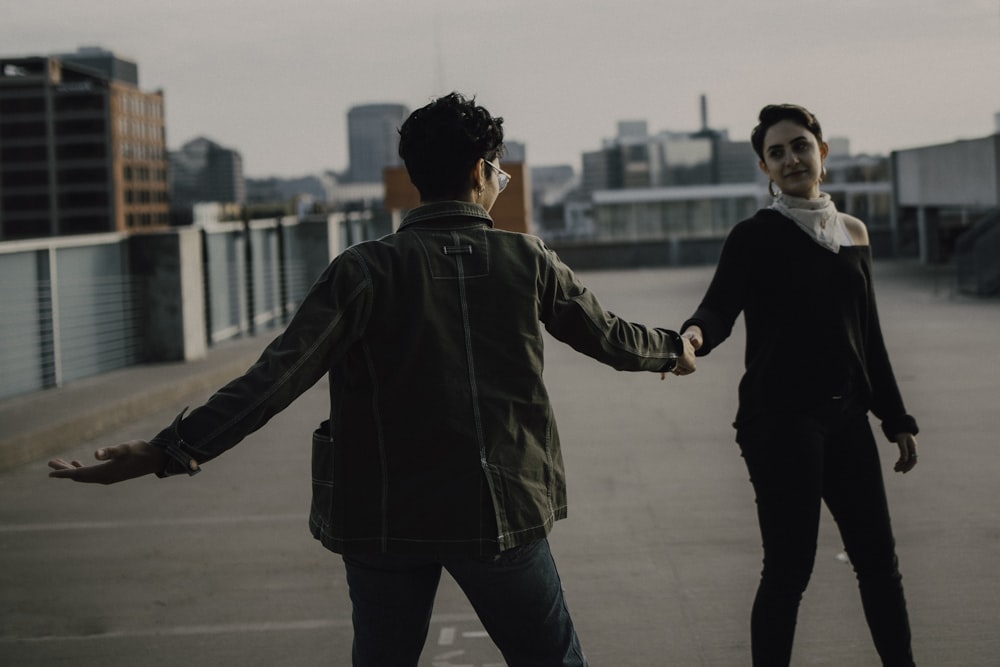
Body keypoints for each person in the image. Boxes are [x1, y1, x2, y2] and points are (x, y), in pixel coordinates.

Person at [49, 92, 697, 667]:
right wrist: (676, 349)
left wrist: (170, 448)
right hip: (498, 509)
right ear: (480, 172)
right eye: (497, 169)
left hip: (384, 516)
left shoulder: (361, 269)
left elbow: (275, 378)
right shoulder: (526, 259)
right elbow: (612, 339)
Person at [678, 103, 919, 666]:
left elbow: (869, 338)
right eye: (777, 152)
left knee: (879, 564)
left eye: (800, 146)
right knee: (789, 571)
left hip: (848, 418)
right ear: (766, 167)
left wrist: (897, 418)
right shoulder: (754, 237)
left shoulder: (853, 234)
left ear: (822, 153)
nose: (791, 159)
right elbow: (717, 309)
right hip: (780, 421)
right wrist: (691, 337)